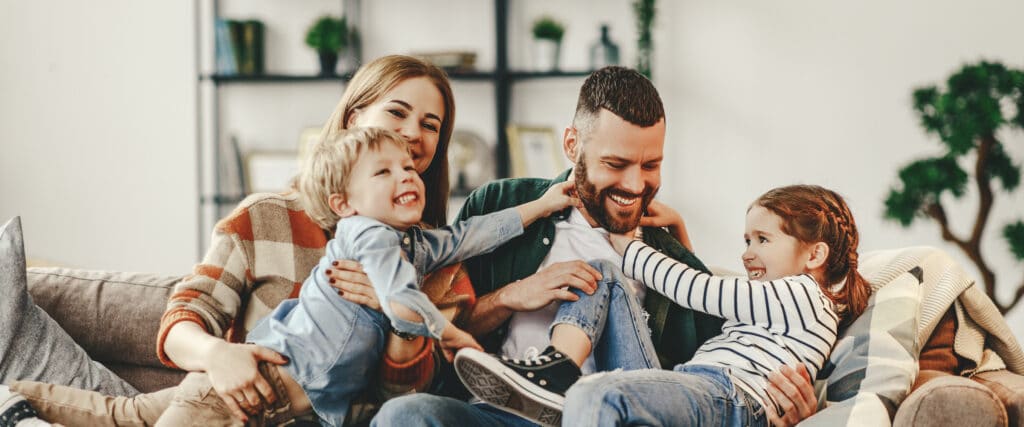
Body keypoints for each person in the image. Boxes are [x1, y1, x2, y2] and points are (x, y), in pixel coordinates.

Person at [4, 55, 463, 426]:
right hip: (240, 406)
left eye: (430, 124)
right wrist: (218, 354)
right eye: (397, 112)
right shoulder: (266, 218)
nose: (412, 134)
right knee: (123, 414)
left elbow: (406, 407)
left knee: (127, 415)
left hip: (325, 416)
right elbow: (184, 320)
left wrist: (399, 313)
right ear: (354, 116)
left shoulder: (436, 258)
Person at [371, 66, 822, 427]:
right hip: (498, 414)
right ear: (573, 145)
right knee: (402, 416)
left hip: (605, 413)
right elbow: (444, 328)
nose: (635, 184)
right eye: (616, 163)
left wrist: (784, 408)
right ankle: (540, 381)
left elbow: (707, 375)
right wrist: (512, 296)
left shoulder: (668, 260)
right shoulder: (503, 205)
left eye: (650, 165)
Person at [459, 184, 873, 426]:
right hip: (698, 387)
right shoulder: (779, 305)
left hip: (730, 396)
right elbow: (713, 304)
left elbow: (698, 291)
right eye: (746, 241)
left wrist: (628, 243)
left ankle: (566, 382)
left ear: (815, 255)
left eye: (763, 240)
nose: (747, 253)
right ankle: (556, 368)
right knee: (601, 273)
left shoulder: (804, 295)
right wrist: (678, 230)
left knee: (599, 395)